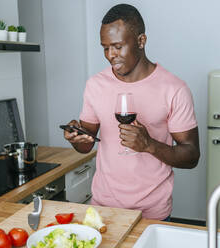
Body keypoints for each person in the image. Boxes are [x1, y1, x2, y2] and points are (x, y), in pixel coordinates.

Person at [63, 3, 200, 220]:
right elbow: (86, 144)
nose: (110, 55)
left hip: (152, 213)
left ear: (141, 41)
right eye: (105, 47)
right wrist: (75, 137)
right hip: (103, 208)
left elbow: (192, 155)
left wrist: (149, 145)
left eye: (117, 46)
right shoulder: (95, 85)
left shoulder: (174, 89)